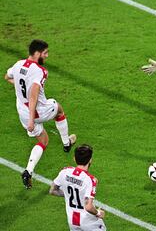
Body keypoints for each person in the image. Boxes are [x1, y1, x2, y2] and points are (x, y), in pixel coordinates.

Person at [4, 39, 76, 189]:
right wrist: (32, 120)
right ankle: (66, 143)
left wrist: (18, 84)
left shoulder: (18, 65)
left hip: (22, 111)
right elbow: (33, 96)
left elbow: (7, 77)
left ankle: (28, 171)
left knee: (43, 141)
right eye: (45, 53)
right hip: (38, 111)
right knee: (59, 110)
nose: (47, 56)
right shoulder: (39, 71)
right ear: (37, 53)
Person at [49, 144, 106, 231]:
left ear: (74, 159)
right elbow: (88, 207)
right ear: (90, 160)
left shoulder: (64, 172)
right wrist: (98, 212)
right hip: (89, 222)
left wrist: (69, 195)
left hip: (73, 221)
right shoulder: (90, 180)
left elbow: (52, 190)